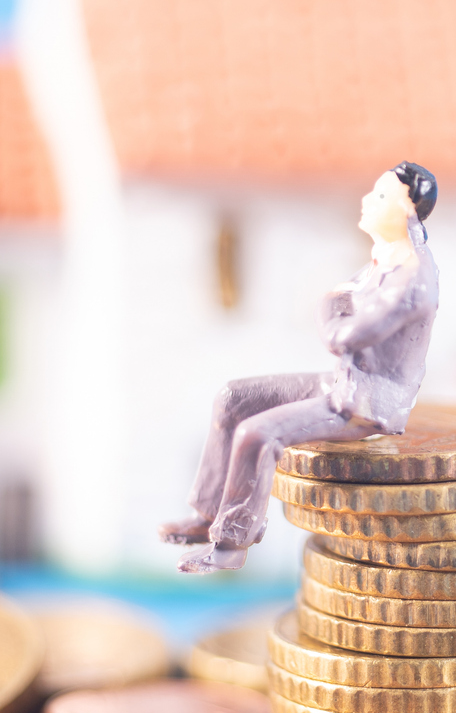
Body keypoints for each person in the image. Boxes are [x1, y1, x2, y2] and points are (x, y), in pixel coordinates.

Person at [163, 162, 440, 572]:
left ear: (406, 211)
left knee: (257, 434)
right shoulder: (385, 258)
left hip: (366, 404)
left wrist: (331, 316)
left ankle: (231, 544)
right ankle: (206, 515)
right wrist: (333, 310)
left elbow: (346, 335)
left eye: (381, 196)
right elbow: (337, 299)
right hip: (343, 383)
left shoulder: (413, 279)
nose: (367, 200)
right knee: (233, 398)